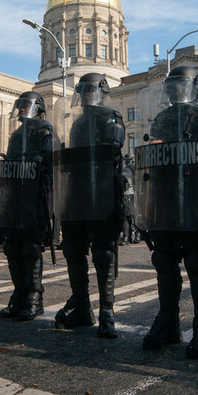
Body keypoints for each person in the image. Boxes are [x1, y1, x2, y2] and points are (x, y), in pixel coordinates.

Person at [135, 66, 198, 359]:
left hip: (194, 196)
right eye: (171, 87)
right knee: (164, 259)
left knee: (196, 261)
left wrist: (176, 146)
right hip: (164, 197)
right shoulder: (162, 118)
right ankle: (168, 322)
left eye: (179, 86)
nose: (175, 92)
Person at [54, 73, 125, 339]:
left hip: (102, 189)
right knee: (72, 249)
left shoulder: (111, 116)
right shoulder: (77, 122)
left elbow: (113, 147)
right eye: (81, 91)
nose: (84, 96)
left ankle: (107, 312)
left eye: (89, 91)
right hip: (77, 192)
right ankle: (82, 308)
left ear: (101, 92)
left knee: (103, 253)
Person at [0, 92, 53, 321]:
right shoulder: (17, 134)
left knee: (31, 247)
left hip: (35, 196)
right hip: (14, 196)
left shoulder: (44, 130)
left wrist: (40, 161)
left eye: (25, 105)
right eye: (20, 105)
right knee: (12, 247)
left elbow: (49, 159)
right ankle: (18, 294)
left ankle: (34, 297)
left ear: (38, 107)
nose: (21, 109)